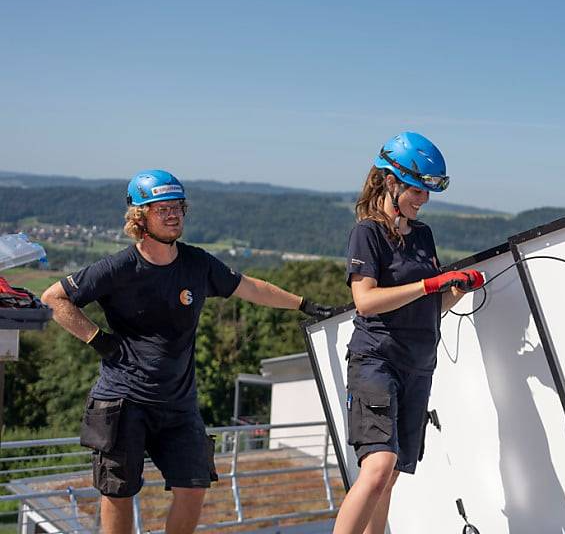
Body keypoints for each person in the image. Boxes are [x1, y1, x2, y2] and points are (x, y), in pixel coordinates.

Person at [41, 169, 334, 534]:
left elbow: (251, 287)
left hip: (178, 405)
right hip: (124, 401)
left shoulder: (197, 264)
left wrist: (304, 304)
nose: (173, 214)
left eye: (177, 206)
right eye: (161, 208)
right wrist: (99, 340)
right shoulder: (118, 267)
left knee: (193, 486)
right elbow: (54, 298)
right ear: (139, 218)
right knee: (118, 493)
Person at [332, 132, 484, 534]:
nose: (423, 200)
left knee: (391, 476)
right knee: (378, 467)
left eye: (429, 193)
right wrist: (429, 285)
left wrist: (453, 290)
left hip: (418, 366)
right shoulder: (367, 232)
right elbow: (365, 301)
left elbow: (430, 305)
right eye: (417, 190)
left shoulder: (423, 235)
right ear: (390, 181)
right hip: (376, 360)